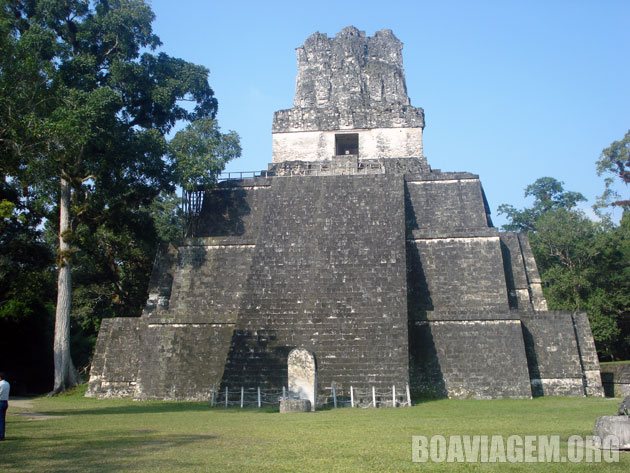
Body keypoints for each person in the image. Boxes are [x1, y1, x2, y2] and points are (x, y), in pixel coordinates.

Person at [0, 372, 9, 441]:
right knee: (2, 420)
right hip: (5, 402)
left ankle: (1, 436)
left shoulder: (0, 384)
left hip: (0, 402)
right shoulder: (7, 383)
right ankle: (2, 435)